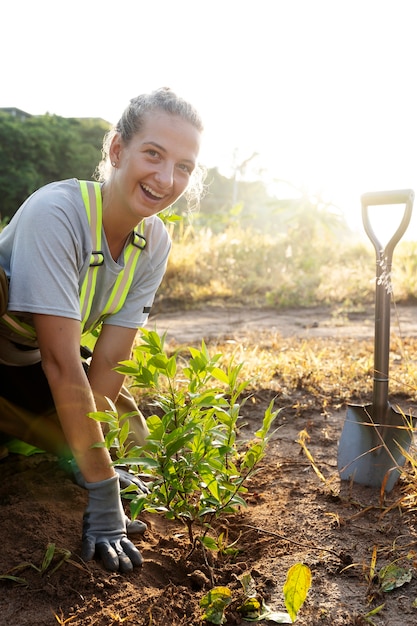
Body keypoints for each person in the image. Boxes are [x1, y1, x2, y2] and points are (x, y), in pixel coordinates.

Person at [0, 87, 204, 573]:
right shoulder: (58, 214)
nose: (165, 178)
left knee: (126, 428)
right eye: (153, 154)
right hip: (30, 359)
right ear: (117, 151)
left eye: (183, 167)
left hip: (26, 370)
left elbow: (110, 362)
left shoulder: (153, 242)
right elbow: (62, 362)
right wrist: (101, 483)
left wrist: (92, 457)